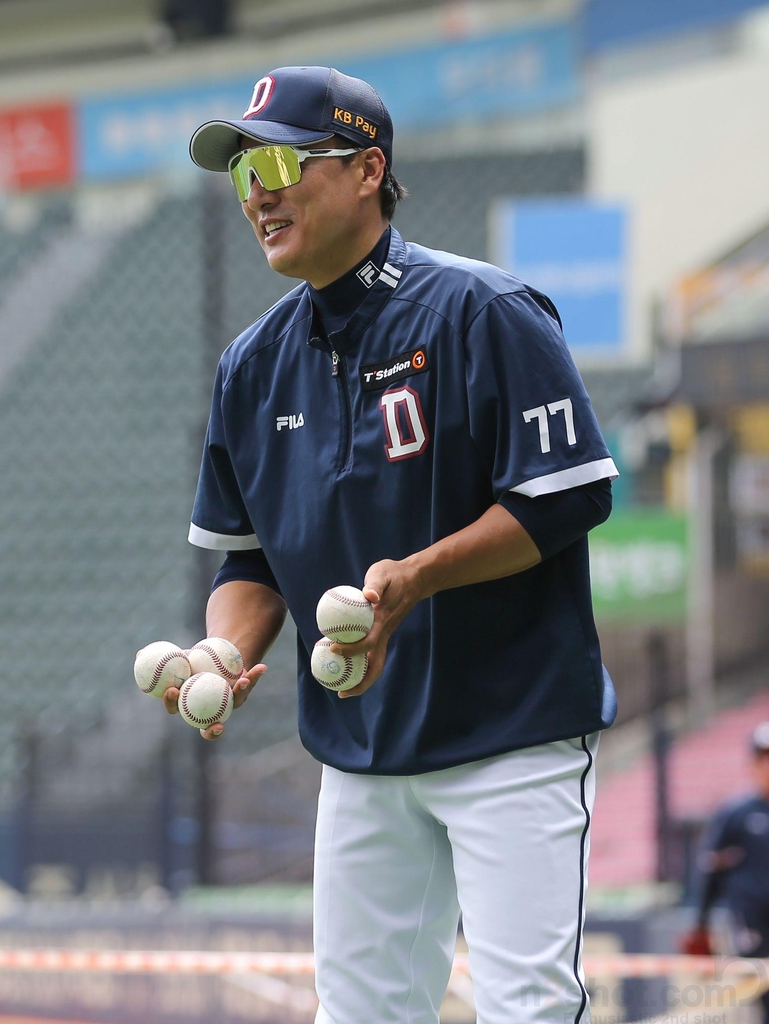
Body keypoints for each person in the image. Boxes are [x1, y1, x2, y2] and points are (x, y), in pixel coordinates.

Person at [168, 65, 619, 1024]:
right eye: (243, 174)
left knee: (528, 1010)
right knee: (362, 1015)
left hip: (511, 735)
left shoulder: (485, 312)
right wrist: (226, 650)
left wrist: (414, 580)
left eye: (281, 162)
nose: (260, 193)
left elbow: (562, 501)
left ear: (368, 169)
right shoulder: (251, 366)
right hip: (363, 755)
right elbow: (249, 559)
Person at [681, 721, 769, 1023]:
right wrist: (701, 925)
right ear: (753, 763)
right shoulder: (736, 814)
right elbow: (710, 869)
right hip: (752, 925)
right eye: (763, 757)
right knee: (761, 995)